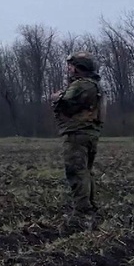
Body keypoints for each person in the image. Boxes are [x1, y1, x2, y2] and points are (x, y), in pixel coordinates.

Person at [49, 51, 105, 220]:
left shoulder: (81, 85)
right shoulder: (94, 85)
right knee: (85, 171)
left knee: (76, 171)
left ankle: (82, 212)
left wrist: (55, 98)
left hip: (77, 133)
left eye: (71, 66)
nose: (69, 69)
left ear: (79, 68)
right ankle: (90, 206)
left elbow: (64, 103)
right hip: (89, 133)